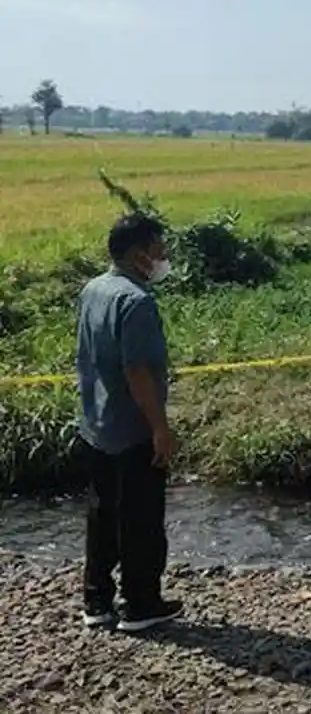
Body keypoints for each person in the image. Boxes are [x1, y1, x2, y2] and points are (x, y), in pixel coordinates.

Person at [76, 213, 183, 632]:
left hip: (96, 424)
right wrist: (160, 428)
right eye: (159, 249)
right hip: (132, 427)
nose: (163, 257)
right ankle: (140, 604)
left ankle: (97, 601)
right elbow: (137, 371)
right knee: (140, 519)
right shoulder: (136, 302)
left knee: (102, 514)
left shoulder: (93, 289)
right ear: (140, 255)